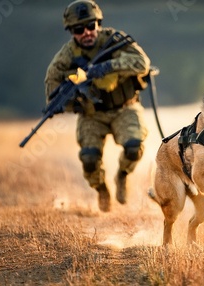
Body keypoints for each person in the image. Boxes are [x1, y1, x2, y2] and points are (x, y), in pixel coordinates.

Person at [44, 0, 150, 212]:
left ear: (98, 24)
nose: (87, 32)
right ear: (72, 32)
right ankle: (101, 188)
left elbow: (142, 63)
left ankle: (122, 175)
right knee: (90, 159)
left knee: (133, 147)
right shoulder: (66, 56)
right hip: (92, 115)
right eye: (79, 29)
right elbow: (52, 87)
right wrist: (66, 101)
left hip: (124, 108)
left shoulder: (114, 40)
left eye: (91, 26)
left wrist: (107, 67)